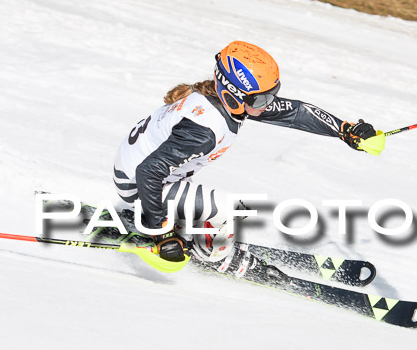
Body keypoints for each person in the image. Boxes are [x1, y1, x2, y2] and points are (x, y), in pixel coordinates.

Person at [113, 40, 380, 265]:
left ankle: (188, 226)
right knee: (233, 211)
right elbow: (148, 171)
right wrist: (161, 234)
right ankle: (213, 255)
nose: (269, 105)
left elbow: (295, 112)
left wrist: (345, 130)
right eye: (262, 99)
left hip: (148, 172)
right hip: (140, 184)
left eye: (271, 95)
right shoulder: (204, 129)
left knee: (219, 206)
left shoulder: (228, 102)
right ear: (232, 94)